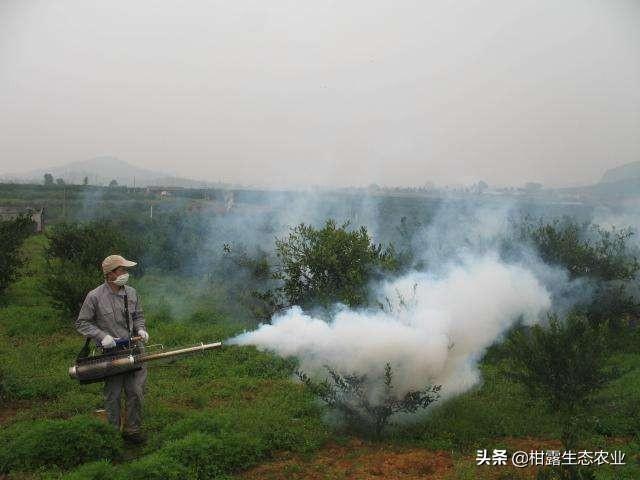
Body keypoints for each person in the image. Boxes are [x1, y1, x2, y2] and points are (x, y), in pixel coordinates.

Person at [75, 254, 149, 443]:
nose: (125, 273)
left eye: (125, 270)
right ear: (110, 274)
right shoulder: (95, 296)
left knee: (136, 392)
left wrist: (141, 328)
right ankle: (113, 434)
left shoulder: (131, 293)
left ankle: (132, 430)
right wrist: (102, 337)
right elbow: (82, 323)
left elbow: (138, 316)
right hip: (112, 354)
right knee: (113, 394)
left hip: (134, 350)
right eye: (121, 270)